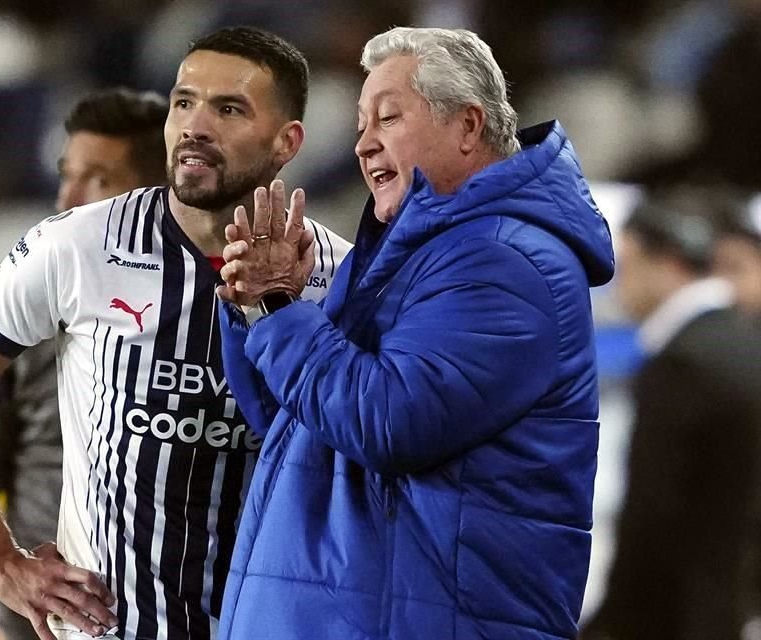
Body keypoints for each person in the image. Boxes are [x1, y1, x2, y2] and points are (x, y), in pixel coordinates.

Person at [0, 26, 351, 640]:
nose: (196, 125)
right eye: (183, 101)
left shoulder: (337, 277)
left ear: (287, 141)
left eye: (228, 109)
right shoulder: (79, 244)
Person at [214, 26, 615, 639]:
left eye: (388, 119)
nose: (363, 145)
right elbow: (295, 426)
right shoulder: (414, 255)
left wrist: (278, 310)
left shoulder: (505, 261)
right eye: (359, 125)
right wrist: (257, 308)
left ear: (468, 126)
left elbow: (389, 422)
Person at [0, 86, 170, 640]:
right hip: (32, 624)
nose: (67, 198)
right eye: (66, 174)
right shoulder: (17, 333)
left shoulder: (212, 315)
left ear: (155, 192)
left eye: (98, 180)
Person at [580, 191, 761, 640]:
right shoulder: (742, 344)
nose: (620, 285)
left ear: (667, 263)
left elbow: (652, 518)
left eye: (628, 264)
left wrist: (610, 625)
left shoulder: (682, 362)